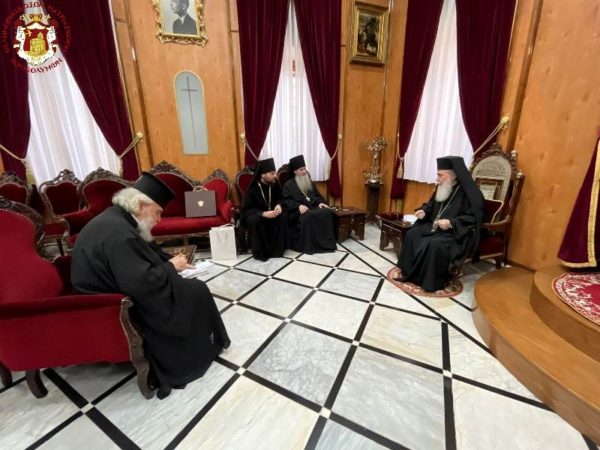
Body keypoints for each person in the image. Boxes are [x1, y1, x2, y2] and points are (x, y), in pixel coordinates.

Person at [71, 172, 230, 399]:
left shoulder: (120, 220)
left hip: (112, 286)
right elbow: (139, 282)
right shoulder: (119, 233)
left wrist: (169, 262)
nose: (159, 220)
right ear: (140, 205)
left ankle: (209, 342)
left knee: (189, 287)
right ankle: (193, 357)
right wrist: (171, 267)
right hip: (110, 301)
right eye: (157, 213)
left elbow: (142, 254)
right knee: (195, 291)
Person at [397, 156, 484, 292]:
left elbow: (474, 216)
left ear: (453, 176)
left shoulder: (470, 192)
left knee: (435, 244)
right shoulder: (442, 186)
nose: (437, 178)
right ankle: (410, 272)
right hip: (436, 226)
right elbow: (431, 204)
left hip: (455, 232)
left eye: (440, 175)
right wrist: (424, 211)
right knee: (412, 234)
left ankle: (429, 280)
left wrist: (451, 223)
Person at [282, 154, 336, 254]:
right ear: (295, 171)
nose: (304, 171)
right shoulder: (288, 185)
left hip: (313, 207)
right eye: (301, 169)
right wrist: (298, 206)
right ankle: (310, 245)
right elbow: (286, 201)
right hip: (298, 211)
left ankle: (325, 243)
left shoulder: (309, 181)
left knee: (326, 212)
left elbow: (317, 195)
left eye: (304, 168)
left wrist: (320, 203)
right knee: (308, 215)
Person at [241, 158, 287, 261]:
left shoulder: (274, 184)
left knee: (283, 216)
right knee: (254, 220)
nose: (275, 176)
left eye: (275, 173)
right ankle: (260, 252)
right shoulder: (253, 189)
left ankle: (277, 250)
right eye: (272, 173)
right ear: (263, 175)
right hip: (258, 215)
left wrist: (279, 205)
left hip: (272, 213)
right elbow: (247, 209)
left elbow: (281, 198)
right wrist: (263, 214)